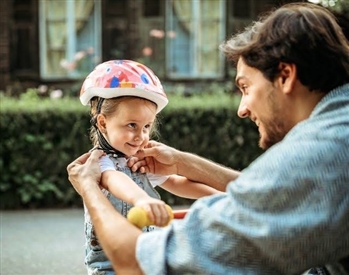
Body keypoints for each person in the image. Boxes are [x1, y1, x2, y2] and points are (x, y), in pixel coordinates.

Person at [67, 3, 349, 275]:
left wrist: (88, 187)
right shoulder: (337, 134)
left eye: (245, 87)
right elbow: (281, 194)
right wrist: (181, 163)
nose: (242, 109)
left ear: (286, 76)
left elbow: (139, 263)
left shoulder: (323, 153)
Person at [78, 59, 221, 274]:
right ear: (103, 123)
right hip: (110, 266)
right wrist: (141, 199)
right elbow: (114, 180)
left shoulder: (140, 161)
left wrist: (219, 197)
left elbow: (176, 182)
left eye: (146, 126)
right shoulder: (97, 161)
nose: (140, 136)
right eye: (131, 125)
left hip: (147, 256)